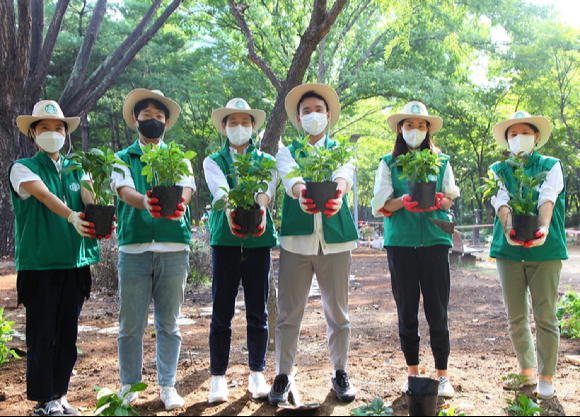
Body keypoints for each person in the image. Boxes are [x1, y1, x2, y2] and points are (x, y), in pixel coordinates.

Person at [9, 101, 108, 416]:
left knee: (67, 333)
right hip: (40, 265)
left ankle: (59, 395)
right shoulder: (22, 167)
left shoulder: (77, 166)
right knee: (43, 333)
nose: (53, 133)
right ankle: (43, 401)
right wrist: (71, 217)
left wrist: (101, 213)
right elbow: (43, 195)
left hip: (74, 263)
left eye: (58, 128)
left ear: (66, 133)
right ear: (33, 133)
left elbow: (91, 199)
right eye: (45, 128)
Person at [270, 84, 358, 405]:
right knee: (289, 312)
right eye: (306, 111)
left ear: (329, 115)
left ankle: (340, 372)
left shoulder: (342, 149)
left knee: (338, 313)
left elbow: (344, 174)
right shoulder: (287, 151)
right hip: (296, 241)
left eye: (318, 110)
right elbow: (291, 178)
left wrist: (337, 192)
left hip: (336, 241)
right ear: (297, 118)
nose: (313, 115)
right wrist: (301, 193)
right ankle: (283, 373)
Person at [110, 89, 196, 411]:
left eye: (159, 117)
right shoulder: (123, 158)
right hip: (134, 249)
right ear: (135, 120)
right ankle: (129, 386)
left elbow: (186, 187)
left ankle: (167, 386)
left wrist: (182, 202)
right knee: (130, 324)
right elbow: (124, 190)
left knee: (169, 324)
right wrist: (145, 202)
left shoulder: (178, 158)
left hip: (174, 247)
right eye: (146, 116)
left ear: (167, 122)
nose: (153, 121)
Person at [371, 101, 460, 398]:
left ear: (428, 130)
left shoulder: (442, 161)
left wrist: (439, 202)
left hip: (435, 241)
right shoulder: (388, 163)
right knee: (406, 310)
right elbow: (382, 203)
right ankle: (412, 372)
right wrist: (403, 202)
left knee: (438, 310)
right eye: (410, 125)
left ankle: (442, 375)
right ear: (400, 128)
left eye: (421, 126)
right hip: (401, 244)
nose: (416, 131)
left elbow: (448, 198)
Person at [202, 98, 278, 404]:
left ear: (254, 127)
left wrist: (257, 212)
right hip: (226, 241)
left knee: (257, 312)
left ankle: (256, 373)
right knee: (222, 312)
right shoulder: (212, 161)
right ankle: (218, 378)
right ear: (223, 127)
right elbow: (220, 190)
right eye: (232, 122)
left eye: (245, 122)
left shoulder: (266, 161)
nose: (239, 128)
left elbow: (266, 192)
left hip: (259, 242)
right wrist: (233, 211)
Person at [489, 111, 568, 400]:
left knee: (545, 314)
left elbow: (548, 197)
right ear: (507, 140)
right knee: (516, 316)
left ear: (536, 136)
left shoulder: (551, 165)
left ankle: (546, 376)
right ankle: (527, 371)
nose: (518, 138)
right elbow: (502, 199)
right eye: (512, 134)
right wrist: (510, 226)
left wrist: (544, 228)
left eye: (524, 132)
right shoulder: (498, 169)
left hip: (545, 250)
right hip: (508, 250)